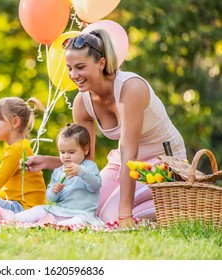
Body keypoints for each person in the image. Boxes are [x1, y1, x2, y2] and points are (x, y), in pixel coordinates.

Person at [23, 29, 187, 228]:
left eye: (80, 67)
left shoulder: (131, 88)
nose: (73, 75)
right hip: (123, 162)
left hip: (163, 161)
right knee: (91, 210)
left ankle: (178, 213)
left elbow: (130, 151)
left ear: (101, 63)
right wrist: (49, 162)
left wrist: (124, 214)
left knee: (112, 216)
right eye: (69, 68)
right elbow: (85, 161)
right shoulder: (82, 102)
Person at [0, 124, 104, 227]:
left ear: (85, 149)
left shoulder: (89, 167)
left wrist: (81, 171)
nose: (66, 157)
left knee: (77, 222)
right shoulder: (59, 171)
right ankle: (13, 218)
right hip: (60, 211)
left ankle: (54, 225)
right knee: (39, 209)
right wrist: (55, 191)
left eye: (71, 152)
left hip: (82, 214)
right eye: (62, 152)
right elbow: (50, 197)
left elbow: (95, 186)